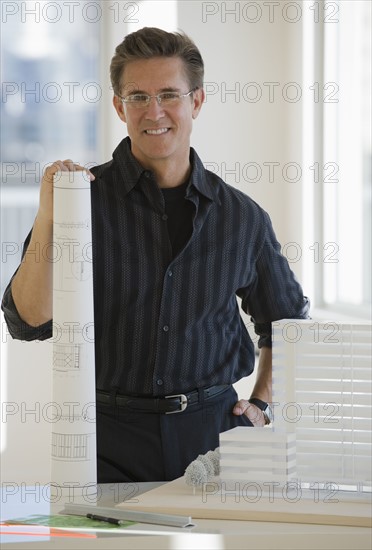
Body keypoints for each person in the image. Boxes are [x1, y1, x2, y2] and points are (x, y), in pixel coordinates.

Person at [2, 27, 310, 483]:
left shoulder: (242, 217)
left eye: (169, 94)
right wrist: (49, 214)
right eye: (138, 96)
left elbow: (286, 325)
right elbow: (25, 321)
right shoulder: (78, 204)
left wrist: (261, 407)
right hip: (105, 439)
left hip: (216, 436)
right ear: (118, 106)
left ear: (197, 102)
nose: (155, 111)